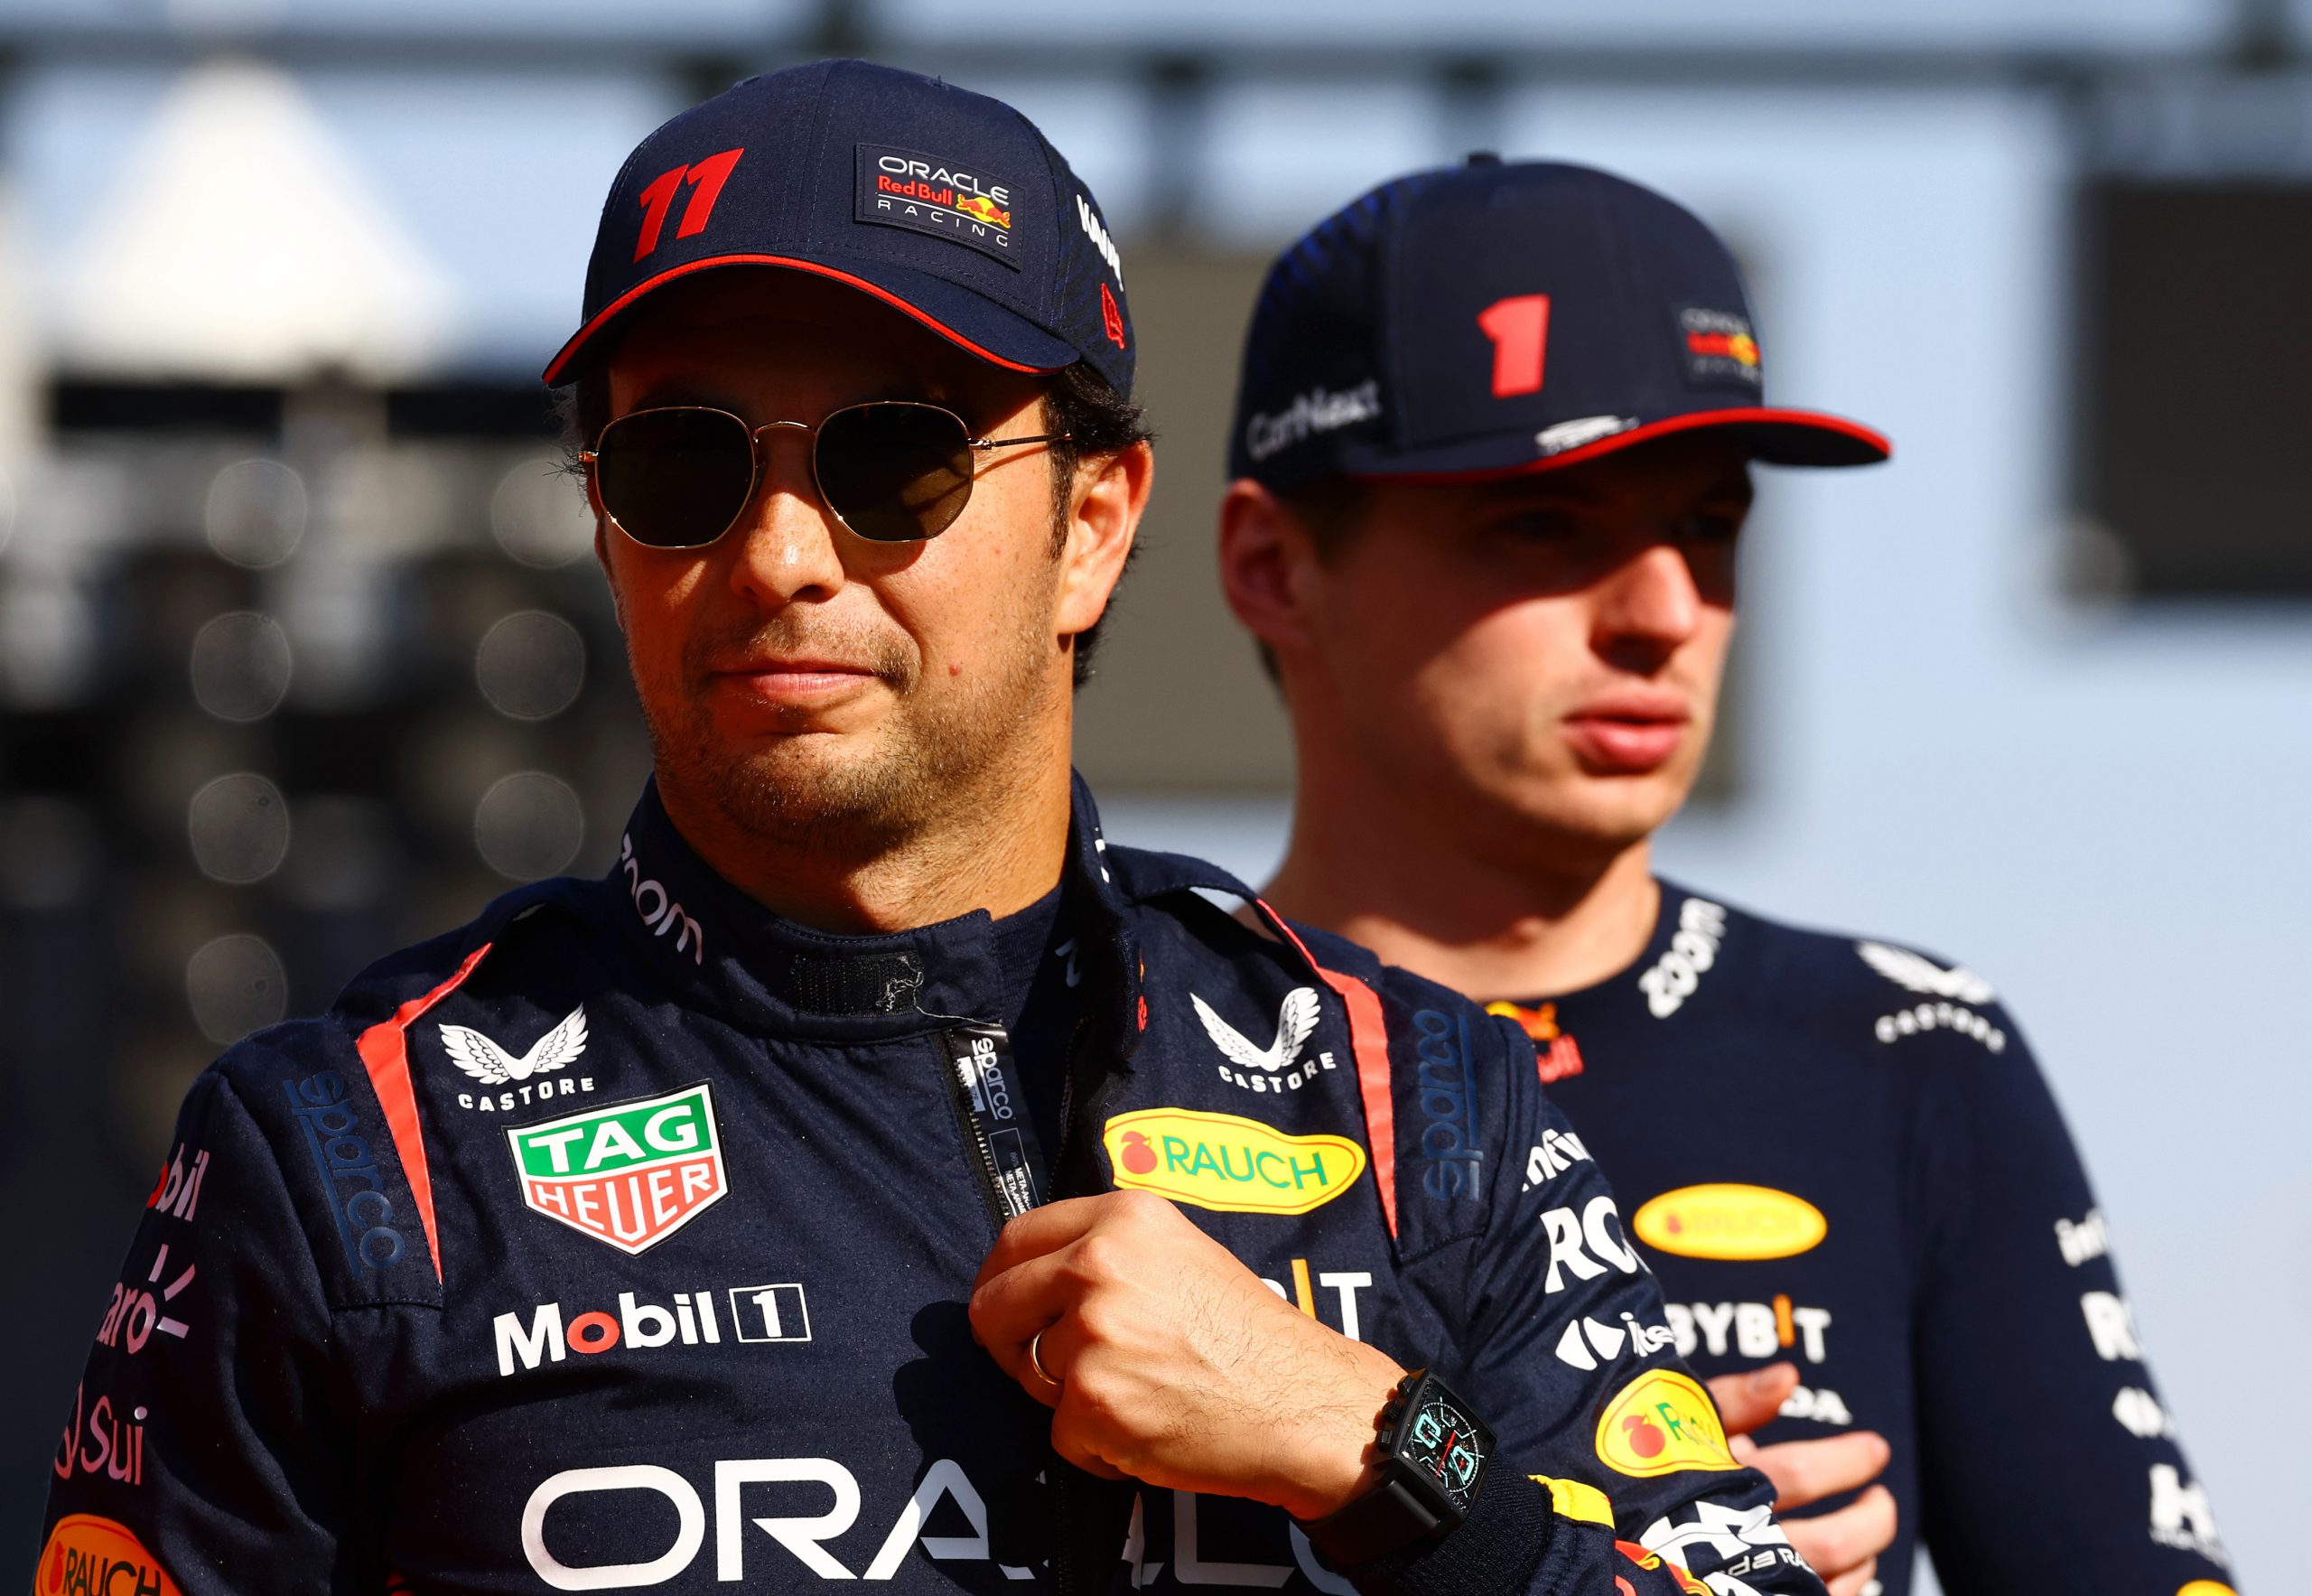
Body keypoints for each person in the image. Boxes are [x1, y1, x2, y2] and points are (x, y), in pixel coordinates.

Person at [38, 67, 1833, 1596]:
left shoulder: (1407, 1096)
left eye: (894, 460)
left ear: (1095, 524)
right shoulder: (351, 1141)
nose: (775, 554)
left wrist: (1373, 1445)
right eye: (683, 465)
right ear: (601, 525)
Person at [1217, 155, 2238, 1596]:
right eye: (1543, 525)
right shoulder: (1093, 1048)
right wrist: (1583, 1556)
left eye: (1708, 528)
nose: (1663, 613)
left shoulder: (1901, 1050)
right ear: (1271, 565)